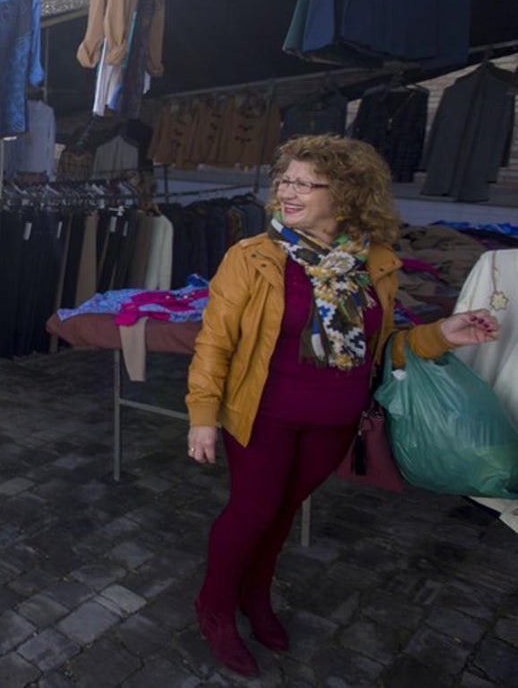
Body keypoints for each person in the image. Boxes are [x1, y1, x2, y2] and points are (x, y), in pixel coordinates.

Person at [185, 135, 500, 677]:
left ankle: (256, 597)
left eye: (305, 182)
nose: (287, 190)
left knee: (283, 512)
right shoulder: (252, 257)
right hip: (265, 415)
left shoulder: (373, 261)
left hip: (334, 419)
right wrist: (203, 416)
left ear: (348, 194)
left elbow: (385, 346)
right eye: (284, 179)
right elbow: (215, 343)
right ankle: (214, 607)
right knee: (252, 511)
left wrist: (443, 334)